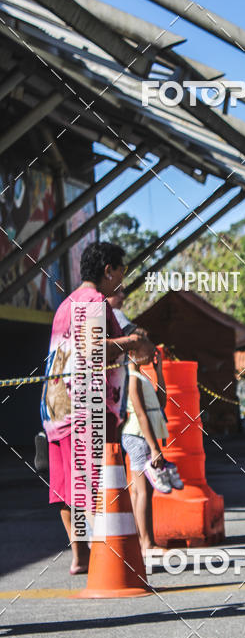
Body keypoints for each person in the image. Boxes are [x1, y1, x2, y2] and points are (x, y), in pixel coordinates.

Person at [40, 241, 151, 575]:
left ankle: (81, 555)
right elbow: (92, 349)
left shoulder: (66, 304)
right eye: (121, 271)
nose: (122, 278)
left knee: (66, 485)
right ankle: (107, 556)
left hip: (57, 408)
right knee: (96, 480)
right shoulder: (93, 301)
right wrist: (132, 342)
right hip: (87, 408)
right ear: (108, 271)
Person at [121, 341, 183, 559]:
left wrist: (158, 371)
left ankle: (145, 540)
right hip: (138, 437)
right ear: (133, 352)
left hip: (143, 437)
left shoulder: (140, 376)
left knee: (142, 490)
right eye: (147, 347)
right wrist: (155, 448)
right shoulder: (131, 379)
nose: (153, 351)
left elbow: (161, 401)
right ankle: (146, 542)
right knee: (143, 490)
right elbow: (140, 414)